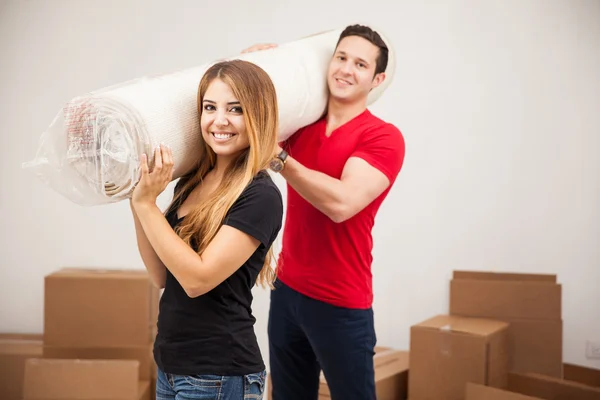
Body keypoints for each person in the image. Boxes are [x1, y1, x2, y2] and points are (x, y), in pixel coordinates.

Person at [243, 24, 405, 399]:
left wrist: (282, 159)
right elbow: (248, 117)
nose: (346, 69)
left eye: (360, 64)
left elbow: (342, 203)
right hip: (287, 294)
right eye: (341, 57)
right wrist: (256, 63)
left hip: (341, 303)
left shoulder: (382, 137)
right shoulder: (301, 127)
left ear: (377, 78)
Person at [129, 59, 284, 399]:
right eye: (209, 107)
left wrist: (146, 207)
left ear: (258, 116)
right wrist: (137, 197)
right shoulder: (192, 180)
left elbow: (197, 280)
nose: (219, 121)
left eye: (236, 109)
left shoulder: (260, 195)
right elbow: (162, 275)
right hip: (172, 366)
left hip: (218, 372)